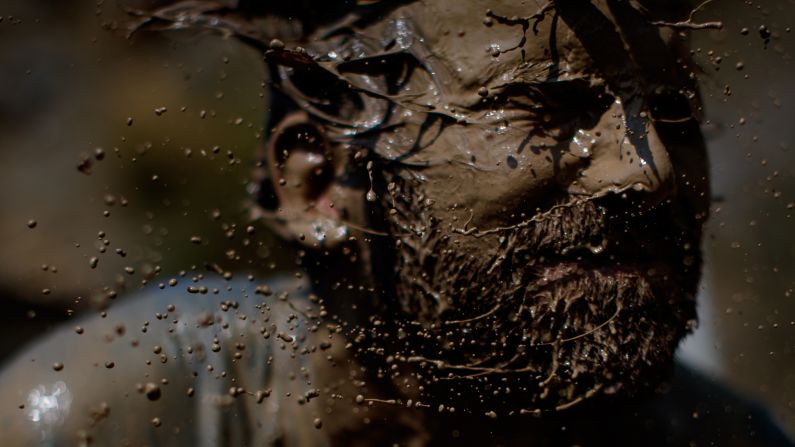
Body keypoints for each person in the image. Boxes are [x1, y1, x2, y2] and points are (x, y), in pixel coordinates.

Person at [0, 0, 792, 445]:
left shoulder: (720, 442)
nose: (647, 170)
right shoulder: (117, 420)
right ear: (317, 183)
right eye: (542, 111)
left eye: (674, 114)